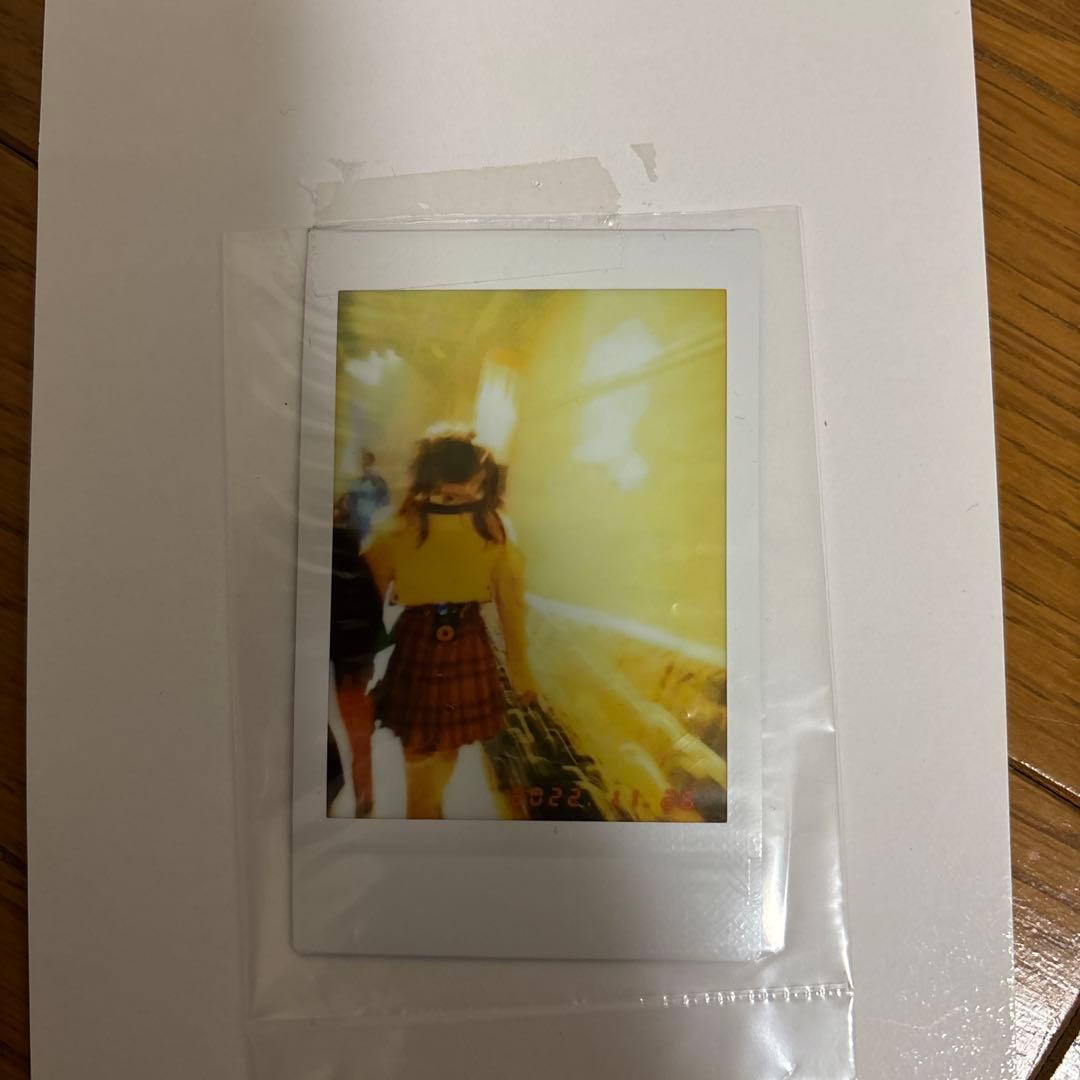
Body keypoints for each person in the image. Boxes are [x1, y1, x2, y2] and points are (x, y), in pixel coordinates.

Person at [363, 430, 536, 819]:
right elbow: (511, 605)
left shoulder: (401, 526)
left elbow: (369, 593)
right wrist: (521, 671)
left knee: (418, 751)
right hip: (466, 641)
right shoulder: (491, 527)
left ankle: (424, 813)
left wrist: (359, 663)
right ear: (476, 477)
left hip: (417, 642)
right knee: (444, 748)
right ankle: (427, 812)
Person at [329, 496, 384, 816]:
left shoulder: (314, 561)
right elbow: (374, 614)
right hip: (353, 660)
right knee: (358, 736)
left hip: (331, 654)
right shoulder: (362, 564)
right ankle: (364, 795)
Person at [345, 450, 390, 543]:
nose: (365, 466)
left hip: (367, 517)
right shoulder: (357, 482)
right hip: (356, 519)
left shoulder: (379, 482)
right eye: (364, 462)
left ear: (372, 464)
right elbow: (350, 499)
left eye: (367, 462)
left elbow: (385, 500)